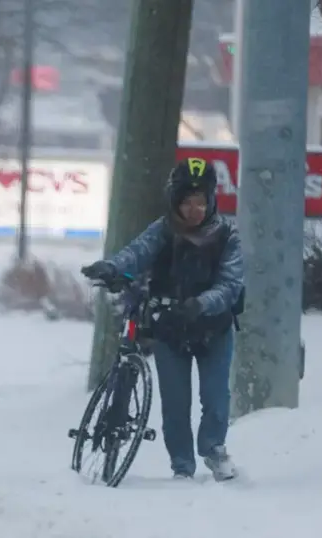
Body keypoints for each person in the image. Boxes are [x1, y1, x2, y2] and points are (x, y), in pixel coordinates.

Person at [81, 157, 244, 482]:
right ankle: (182, 466)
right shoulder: (163, 230)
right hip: (171, 327)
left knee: (215, 396)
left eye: (202, 202)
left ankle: (213, 449)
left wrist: (200, 304)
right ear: (175, 201)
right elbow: (136, 253)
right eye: (187, 202)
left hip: (214, 328)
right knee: (175, 402)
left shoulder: (227, 235)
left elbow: (230, 284)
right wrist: (112, 268)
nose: (195, 209)